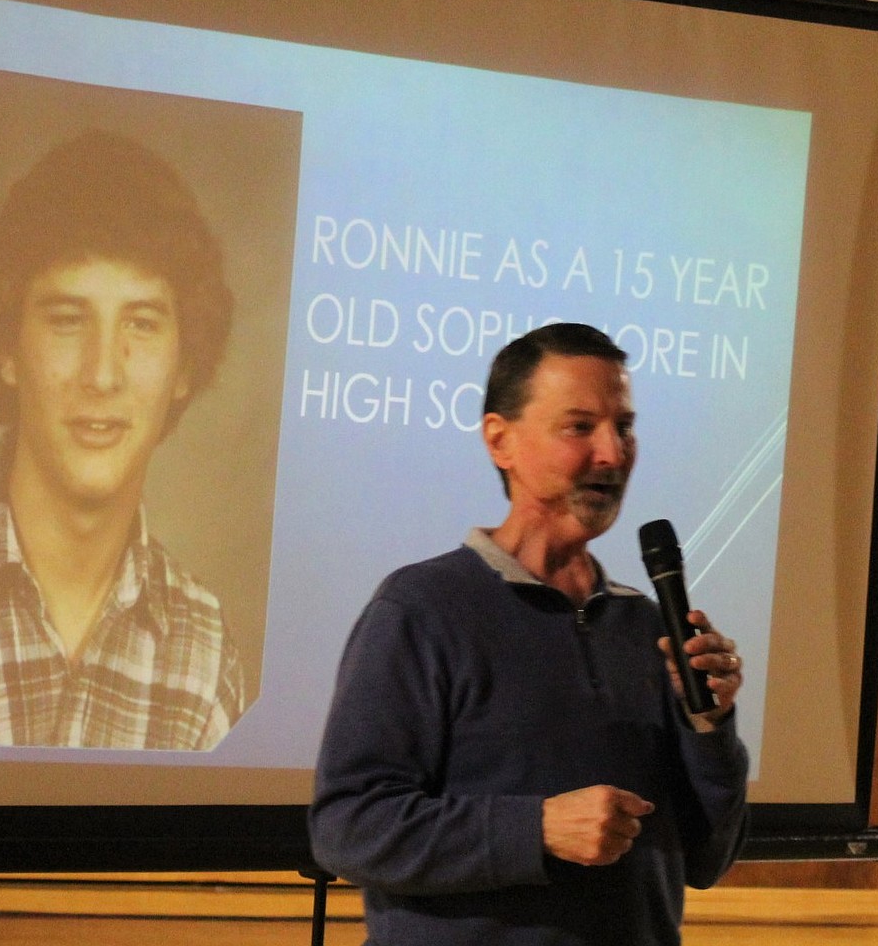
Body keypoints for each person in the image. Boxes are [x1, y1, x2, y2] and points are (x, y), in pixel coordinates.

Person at [308, 322, 748, 944]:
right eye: (580, 427)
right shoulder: (422, 609)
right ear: (500, 441)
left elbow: (708, 859)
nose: (613, 453)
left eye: (623, 426)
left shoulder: (647, 627)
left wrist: (710, 726)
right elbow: (349, 828)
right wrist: (535, 829)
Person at [0, 129, 245, 750]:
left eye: (143, 323)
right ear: (7, 351)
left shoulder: (205, 651)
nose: (103, 373)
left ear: (184, 369)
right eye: (68, 321)